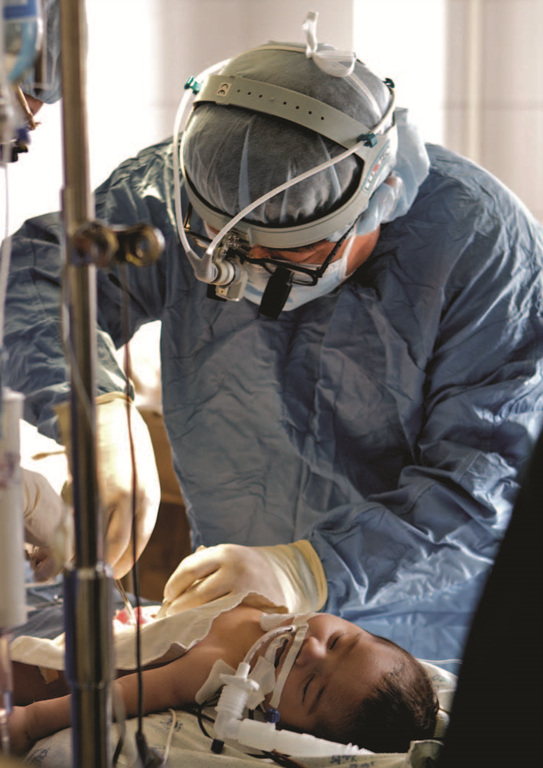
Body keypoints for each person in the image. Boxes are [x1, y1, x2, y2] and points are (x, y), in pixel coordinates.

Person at [3, 12, 543, 663]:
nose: (245, 278)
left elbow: (487, 480)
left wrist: (307, 570)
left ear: (380, 198)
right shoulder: (192, 186)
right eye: (222, 251)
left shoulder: (480, 248)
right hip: (236, 609)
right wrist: (98, 410)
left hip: (413, 629)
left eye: (289, 258)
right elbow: (35, 277)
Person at [7, 601, 439, 757]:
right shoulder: (282, 612)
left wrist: (31, 721)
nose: (310, 650)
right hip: (124, 617)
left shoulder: (214, 670)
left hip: (62, 671)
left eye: (310, 687)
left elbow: (119, 694)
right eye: (339, 640)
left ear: (283, 726)